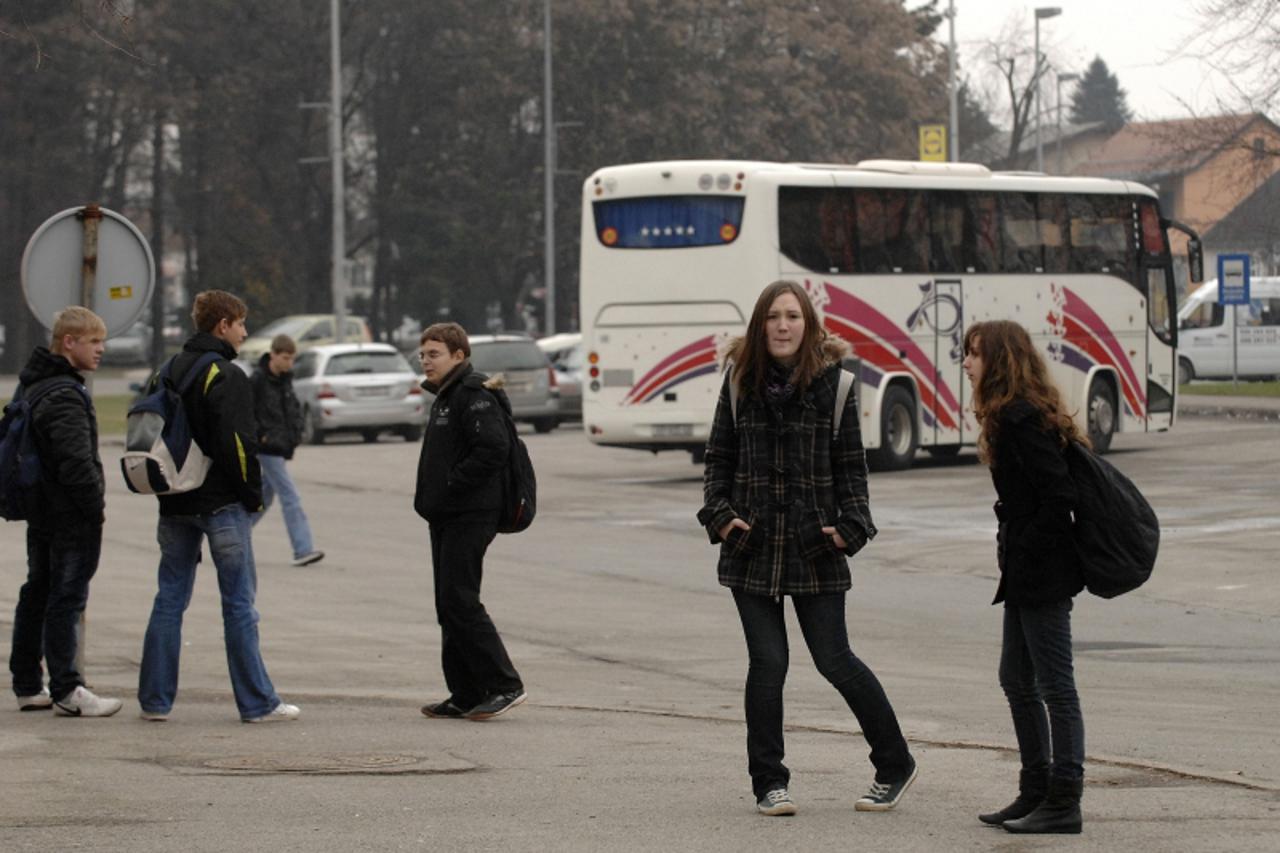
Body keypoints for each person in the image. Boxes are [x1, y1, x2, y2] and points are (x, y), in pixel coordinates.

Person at [697, 280, 917, 817]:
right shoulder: (737, 383)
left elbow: (852, 472)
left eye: (792, 316)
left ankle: (895, 764)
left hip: (813, 546)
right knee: (767, 664)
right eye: (772, 316)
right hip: (750, 547)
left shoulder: (837, 386)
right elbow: (716, 463)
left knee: (835, 660)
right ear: (759, 324)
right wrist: (723, 520)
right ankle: (769, 782)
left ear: (808, 324)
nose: (782, 326)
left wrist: (851, 528)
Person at [137, 291, 299, 724]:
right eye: (242, 323)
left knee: (169, 598)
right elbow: (238, 445)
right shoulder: (226, 374)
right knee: (239, 604)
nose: (245, 333)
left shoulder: (167, 369)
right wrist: (252, 496)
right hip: (222, 504)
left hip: (174, 502)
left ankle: (155, 702)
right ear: (223, 324)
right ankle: (257, 704)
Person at [962, 319, 1086, 835]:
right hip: (1025, 571)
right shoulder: (1010, 415)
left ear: (999, 360)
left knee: (1055, 685)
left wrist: (1023, 542)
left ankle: (1064, 798)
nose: (966, 364)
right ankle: (1035, 788)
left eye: (973, 354)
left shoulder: (1020, 417)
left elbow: (1060, 500)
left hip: (1044, 573)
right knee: (1016, 678)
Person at [8, 307, 122, 717]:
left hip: (41, 510)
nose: (101, 350)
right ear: (68, 342)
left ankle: (26, 683)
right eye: (93, 342)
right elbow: (75, 462)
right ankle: (67, 689)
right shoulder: (64, 394)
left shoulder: (33, 385)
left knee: (37, 591)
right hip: (68, 514)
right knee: (66, 597)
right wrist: (95, 509)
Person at [413, 322, 526, 721]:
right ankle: (464, 692)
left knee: (461, 599)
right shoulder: (445, 396)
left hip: (470, 513)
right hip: (446, 513)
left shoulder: (474, 394)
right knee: (448, 603)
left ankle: (504, 684)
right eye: (423, 354)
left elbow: (492, 448)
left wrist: (451, 485)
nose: (426, 361)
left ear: (459, 356)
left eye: (435, 354)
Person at [250, 333, 323, 567]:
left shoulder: (285, 380)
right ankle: (303, 549)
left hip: (281, 446)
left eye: (292, 358)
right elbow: (246, 411)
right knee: (290, 496)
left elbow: (291, 409)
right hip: (266, 447)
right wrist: (261, 434)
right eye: (285, 357)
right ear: (273, 355)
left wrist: (297, 432)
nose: (289, 363)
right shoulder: (258, 380)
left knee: (265, 496)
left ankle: (233, 534)